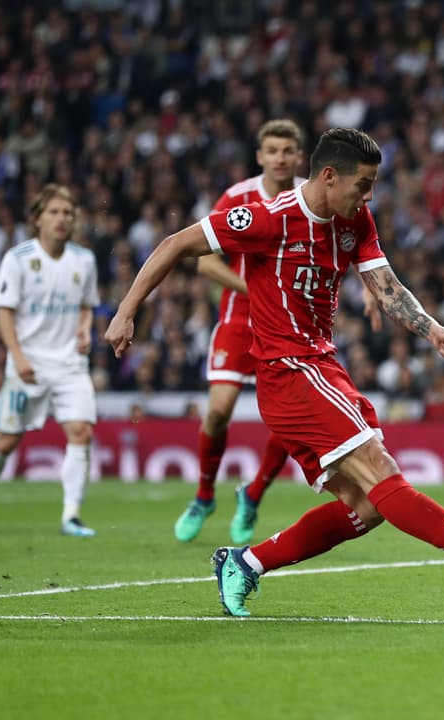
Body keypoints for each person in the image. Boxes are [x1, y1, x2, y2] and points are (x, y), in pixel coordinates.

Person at [105, 128, 444, 616]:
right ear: (330, 176)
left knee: (368, 505)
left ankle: (245, 562)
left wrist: (432, 330)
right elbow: (175, 244)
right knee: (382, 472)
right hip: (288, 371)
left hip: (323, 367)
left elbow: (386, 286)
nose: (369, 195)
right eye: (364, 184)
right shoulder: (267, 219)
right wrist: (127, 310)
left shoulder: (354, 220)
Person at [175, 119, 308, 545]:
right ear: (260, 156)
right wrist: (255, 286)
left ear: (299, 156)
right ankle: (203, 495)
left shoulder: (312, 199)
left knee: (291, 423)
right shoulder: (238, 198)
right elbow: (205, 262)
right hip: (239, 323)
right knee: (218, 410)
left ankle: (253, 494)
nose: (281, 158)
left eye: (288, 150)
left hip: (290, 327)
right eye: (273, 150)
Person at [0, 185, 99, 537]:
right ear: (36, 219)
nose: (62, 219)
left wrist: (86, 329)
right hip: (28, 363)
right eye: (54, 212)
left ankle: (71, 515)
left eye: (68, 213)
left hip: (70, 364)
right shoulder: (17, 259)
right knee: (6, 441)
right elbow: (4, 313)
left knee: (81, 431)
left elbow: (86, 305)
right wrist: (17, 357)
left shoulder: (84, 260)